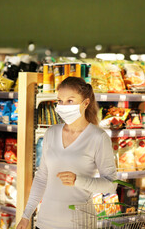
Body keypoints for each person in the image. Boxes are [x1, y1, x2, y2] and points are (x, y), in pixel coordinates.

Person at [17, 77, 117, 229]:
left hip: (80, 224)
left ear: (86, 103)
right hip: (45, 223)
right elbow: (42, 178)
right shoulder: (51, 133)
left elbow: (111, 185)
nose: (63, 106)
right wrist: (26, 216)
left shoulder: (98, 137)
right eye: (60, 101)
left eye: (70, 101)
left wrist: (79, 180)